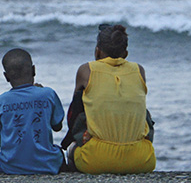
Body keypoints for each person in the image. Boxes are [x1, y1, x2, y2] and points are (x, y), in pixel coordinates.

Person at [64, 24, 155, 174]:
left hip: (95, 161)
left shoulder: (86, 70)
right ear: (125, 53)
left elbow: (74, 112)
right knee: (143, 113)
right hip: (142, 160)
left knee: (72, 148)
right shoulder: (139, 70)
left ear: (97, 50)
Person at [0, 48, 65, 174]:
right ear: (34, 70)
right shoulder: (48, 94)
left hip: (10, 167)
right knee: (59, 153)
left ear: (6, 76)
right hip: (46, 165)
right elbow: (57, 126)